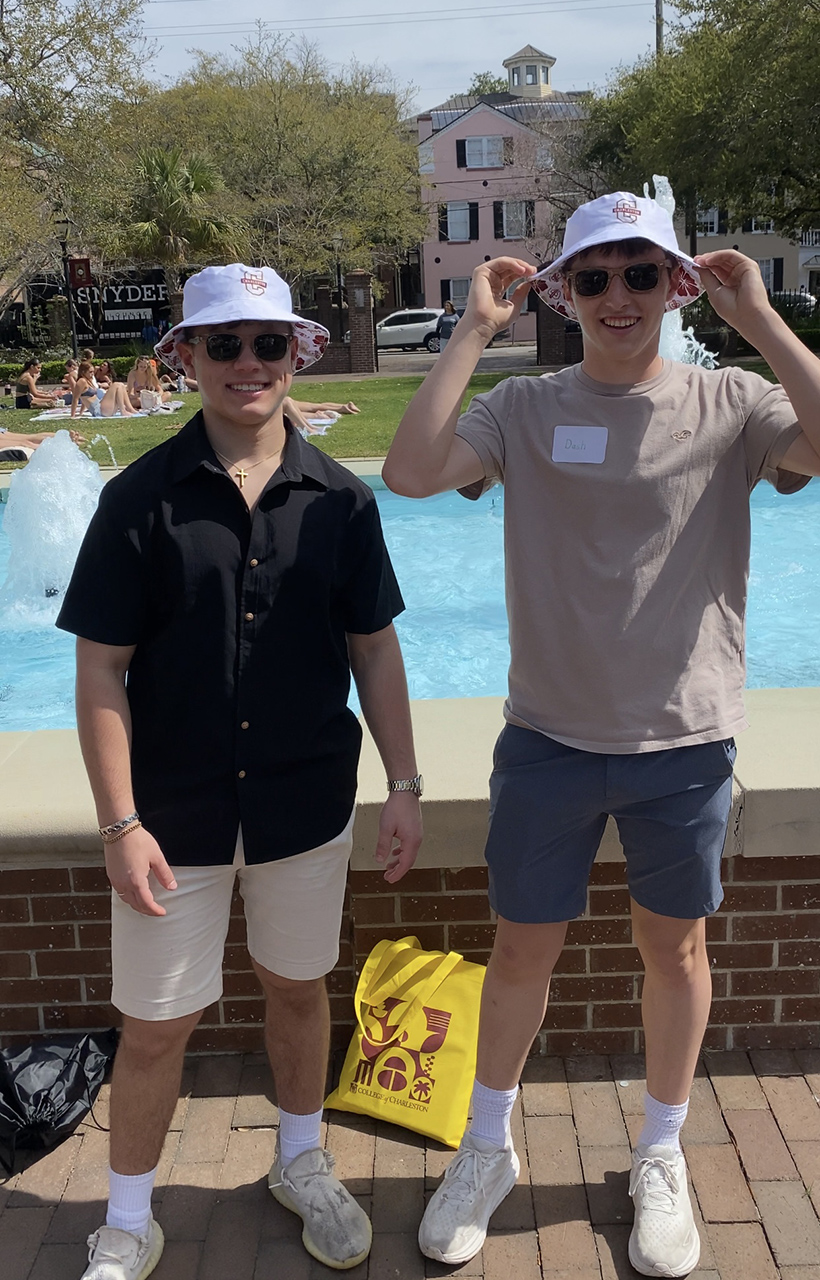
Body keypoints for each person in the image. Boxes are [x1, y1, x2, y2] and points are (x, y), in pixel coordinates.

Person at [383, 190, 820, 1278]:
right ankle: (486, 1145)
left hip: (684, 738)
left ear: (676, 285)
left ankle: (658, 1153)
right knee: (522, 948)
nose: (617, 296)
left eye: (640, 273)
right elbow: (407, 470)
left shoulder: (730, 397)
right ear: (563, 293)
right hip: (548, 737)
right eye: (593, 277)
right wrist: (475, 330)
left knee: (673, 948)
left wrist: (759, 320)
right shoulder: (524, 408)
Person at [57, 262, 423, 1280]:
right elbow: (100, 670)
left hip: (304, 802)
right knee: (157, 1023)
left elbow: (375, 649)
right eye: (223, 343)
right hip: (173, 816)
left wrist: (402, 782)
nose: (247, 363)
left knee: (298, 990)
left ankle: (300, 1161)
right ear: (185, 356)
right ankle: (128, 1217)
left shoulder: (343, 501)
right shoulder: (137, 501)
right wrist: (120, 822)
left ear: (296, 352)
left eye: (268, 342)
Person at [71, 360, 136, 418]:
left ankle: (130, 408)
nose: (92, 374)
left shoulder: (88, 380)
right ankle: (123, 410)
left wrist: (81, 413)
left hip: (101, 407)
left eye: (93, 372)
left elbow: (84, 400)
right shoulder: (81, 381)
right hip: (99, 410)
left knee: (121, 385)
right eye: (90, 372)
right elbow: (75, 399)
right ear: (83, 372)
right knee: (116, 384)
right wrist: (72, 415)